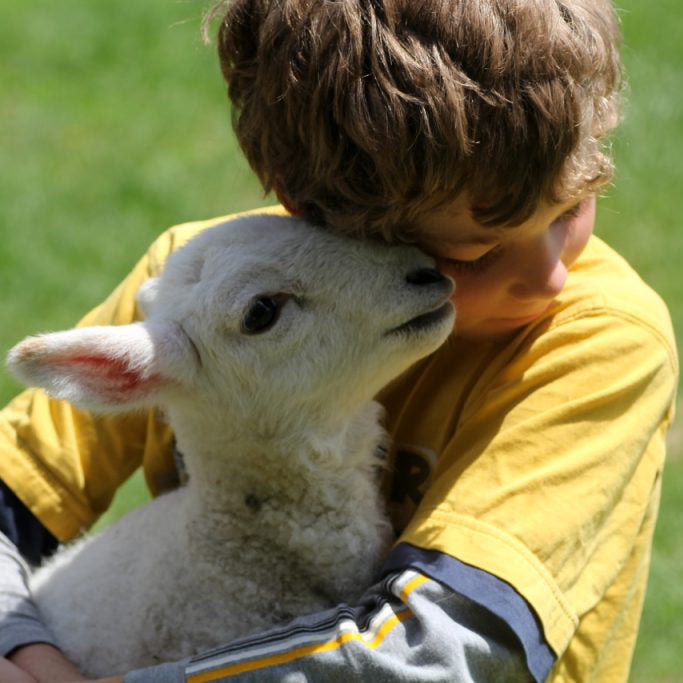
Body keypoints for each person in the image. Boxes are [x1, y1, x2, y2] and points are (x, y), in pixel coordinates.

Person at [0, 0, 677, 681]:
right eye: (474, 256)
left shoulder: (594, 341)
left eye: (572, 207)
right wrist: (26, 651)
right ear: (324, 215)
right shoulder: (197, 295)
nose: (550, 276)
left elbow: (438, 649)